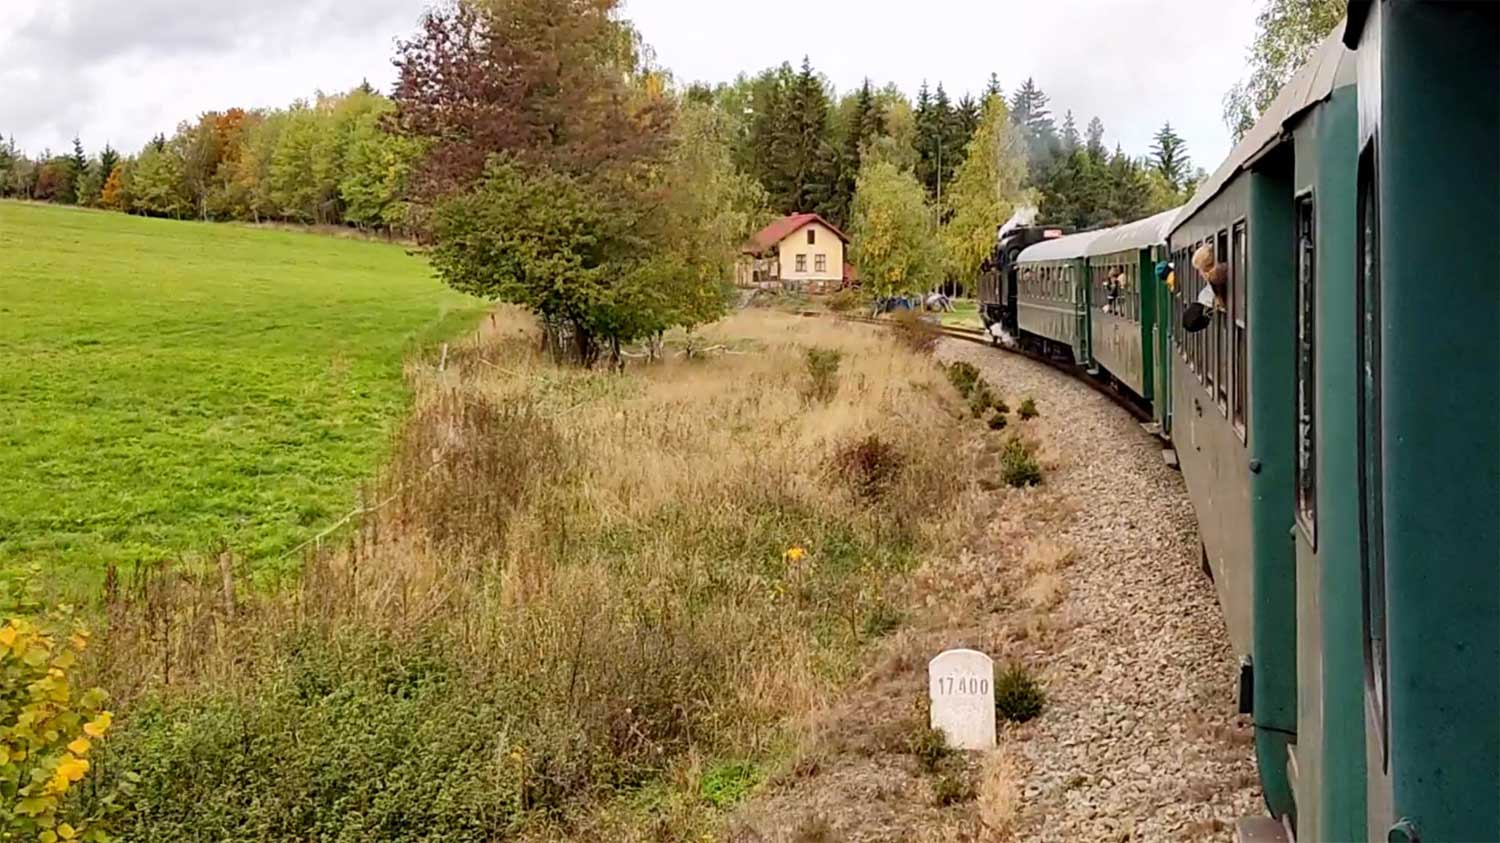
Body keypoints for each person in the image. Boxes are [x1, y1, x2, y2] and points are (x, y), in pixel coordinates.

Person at [1182, 244, 1226, 333]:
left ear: (1207, 268)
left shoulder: (1217, 279)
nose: (1200, 274)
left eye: (1200, 270)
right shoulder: (1214, 283)